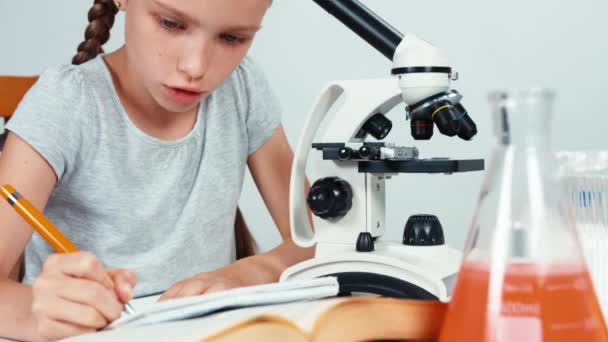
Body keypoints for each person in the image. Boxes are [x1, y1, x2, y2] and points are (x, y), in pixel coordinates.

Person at [0, 0, 313, 340]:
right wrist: (36, 313)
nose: (195, 67)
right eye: (170, 23)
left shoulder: (242, 86)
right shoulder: (65, 103)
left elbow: (319, 238)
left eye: (232, 38)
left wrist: (254, 271)